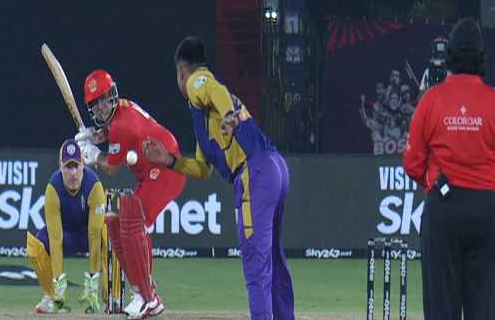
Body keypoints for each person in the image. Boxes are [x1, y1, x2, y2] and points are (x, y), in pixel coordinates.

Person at [142, 36, 295, 320]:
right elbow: (203, 168)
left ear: (180, 72)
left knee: (255, 261)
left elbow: (215, 89)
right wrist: (170, 161)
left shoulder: (197, 81)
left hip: (255, 171)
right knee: (272, 258)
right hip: (274, 167)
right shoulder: (202, 116)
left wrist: (230, 116)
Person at [403, 19, 495, 320]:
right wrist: (487, 181)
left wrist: (433, 179)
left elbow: (412, 162)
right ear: (482, 57)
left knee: (440, 304)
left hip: (443, 207)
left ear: (449, 57)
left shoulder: (431, 101)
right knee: (483, 303)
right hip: (484, 207)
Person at [74, 70, 186, 320]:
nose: (101, 107)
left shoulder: (123, 125)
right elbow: (113, 131)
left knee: (134, 220)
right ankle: (141, 292)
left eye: (104, 99)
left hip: (167, 170)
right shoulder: (121, 111)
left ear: (112, 95)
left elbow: (112, 169)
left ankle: (150, 299)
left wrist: (93, 155)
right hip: (151, 173)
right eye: (95, 103)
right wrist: (96, 135)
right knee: (115, 221)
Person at [26, 139, 107, 314]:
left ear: (83, 165)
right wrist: (58, 281)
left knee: (109, 234)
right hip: (65, 237)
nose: (73, 173)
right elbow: (55, 239)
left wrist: (93, 279)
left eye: (76, 166)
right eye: (68, 167)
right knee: (37, 244)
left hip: (88, 236)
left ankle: (110, 298)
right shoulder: (52, 189)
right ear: (60, 167)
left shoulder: (95, 187)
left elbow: (94, 236)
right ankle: (52, 297)